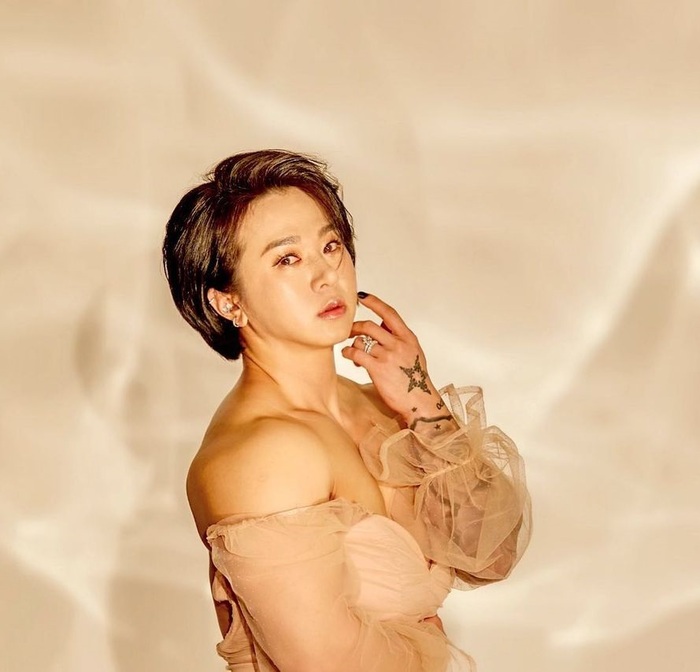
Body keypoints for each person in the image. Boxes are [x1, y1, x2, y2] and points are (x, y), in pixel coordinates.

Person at [162, 149, 532, 671]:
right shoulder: (262, 454)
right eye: (287, 259)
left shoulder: (376, 405)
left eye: (330, 245)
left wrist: (422, 402)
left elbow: (491, 552)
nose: (325, 275)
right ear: (228, 302)